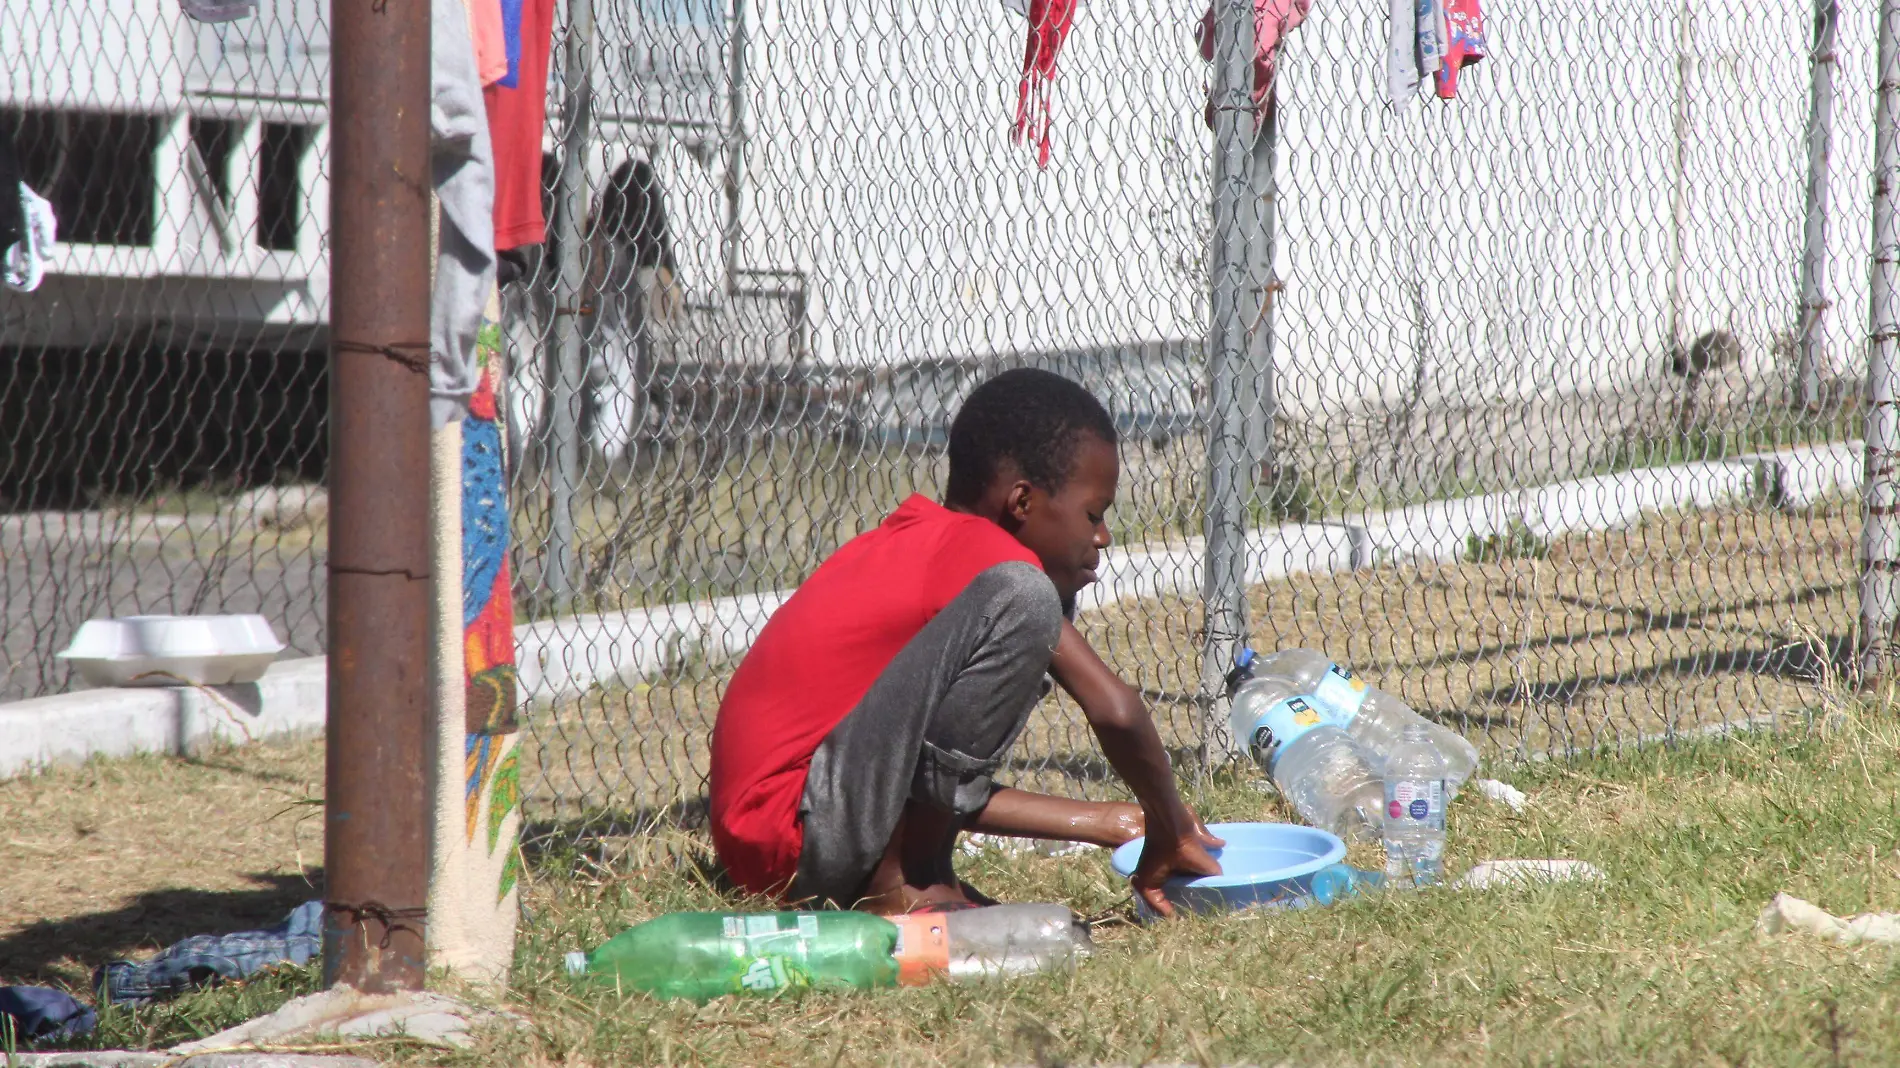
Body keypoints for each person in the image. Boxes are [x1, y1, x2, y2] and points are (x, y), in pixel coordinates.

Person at [709, 367, 1223, 916]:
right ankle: (911, 884)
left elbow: (914, 777)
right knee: (1030, 597)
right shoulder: (990, 564)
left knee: (1040, 597)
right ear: (1021, 502)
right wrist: (1169, 825)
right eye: (1093, 514)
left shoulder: (926, 543)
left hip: (773, 842)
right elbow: (1116, 709)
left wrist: (1115, 821)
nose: (1102, 537)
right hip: (796, 836)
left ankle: (916, 874)